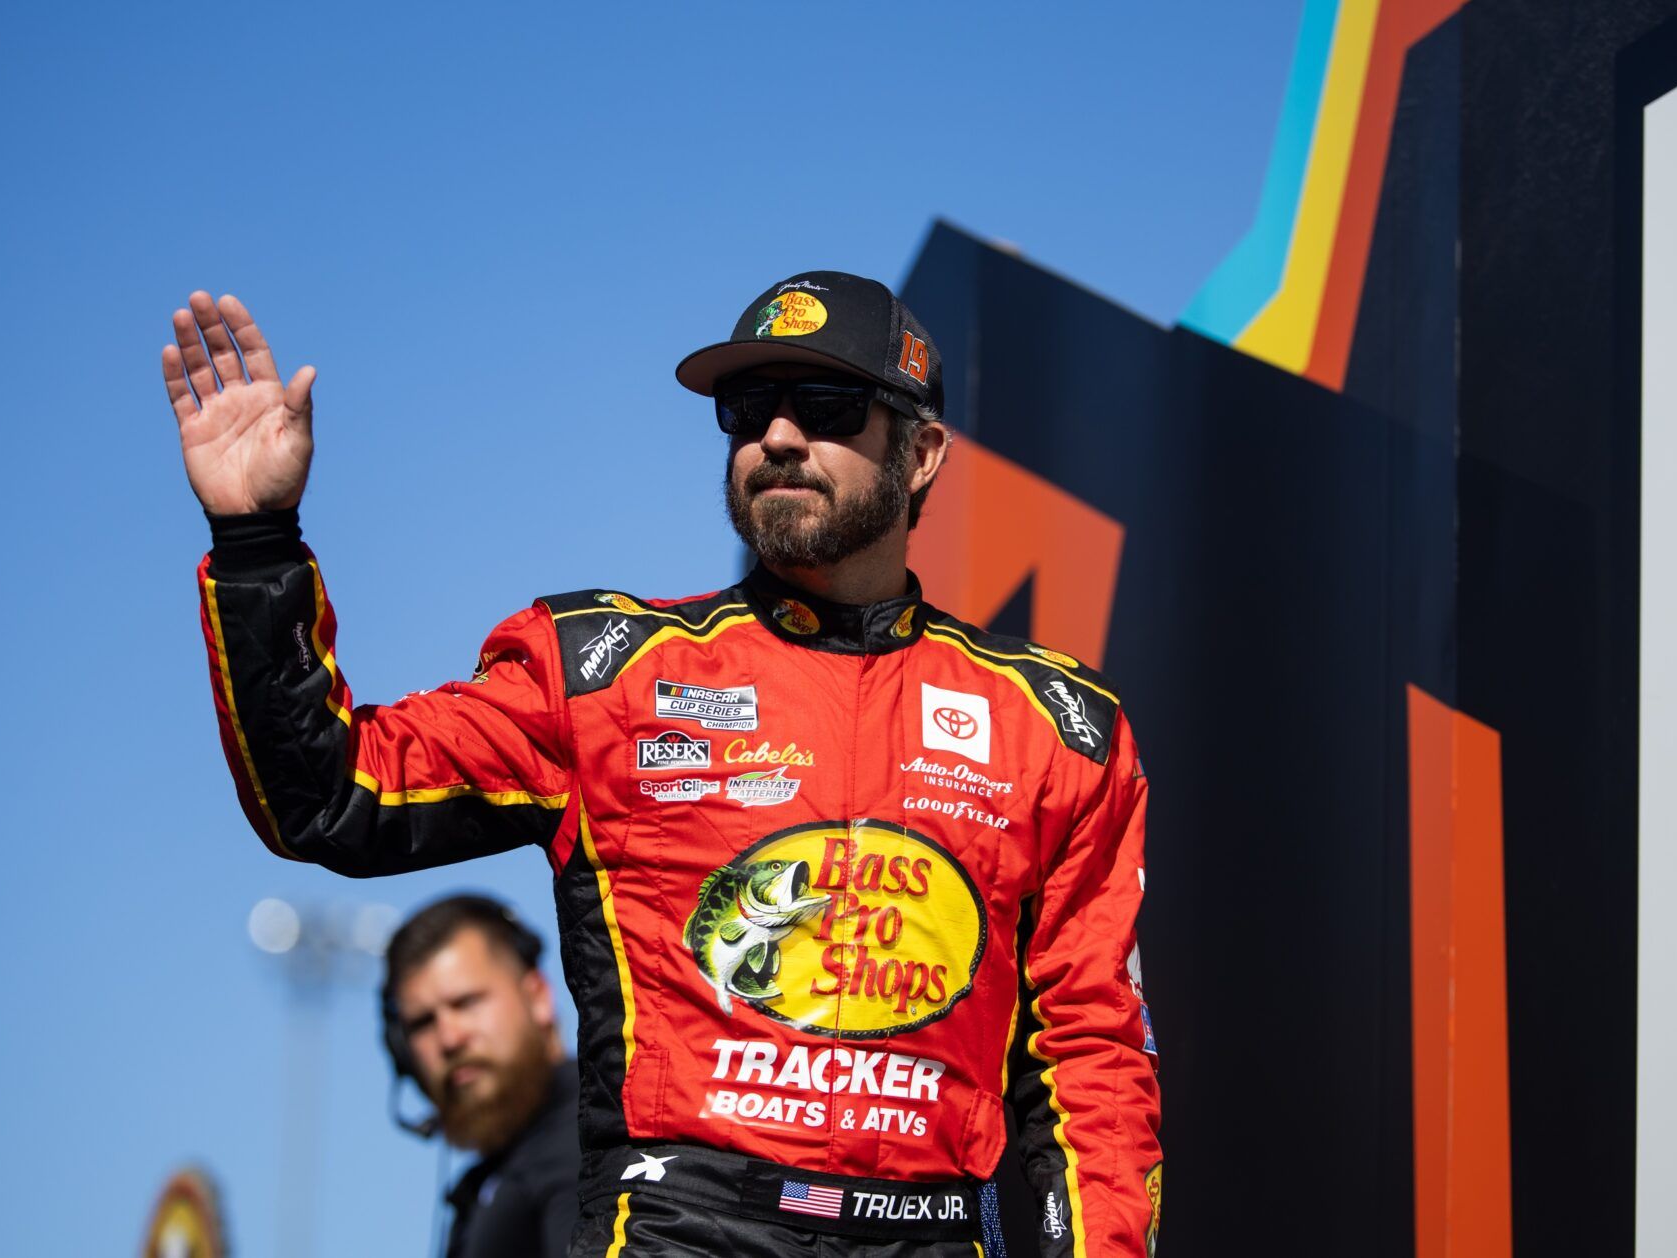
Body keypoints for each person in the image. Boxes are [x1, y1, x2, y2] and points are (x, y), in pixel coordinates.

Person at [166, 271, 1162, 1257]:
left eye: (824, 406)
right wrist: (257, 540)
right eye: (746, 409)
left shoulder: (1058, 726)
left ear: (922, 453)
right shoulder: (605, 672)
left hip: (935, 1230)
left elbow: (1093, 1065)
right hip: (686, 1225)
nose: (776, 437)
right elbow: (333, 794)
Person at [382, 894, 582, 1257]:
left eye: (466, 1003)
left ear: (537, 996)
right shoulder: (497, 1178)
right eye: (422, 1022)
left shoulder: (594, 1145)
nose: (449, 1038)